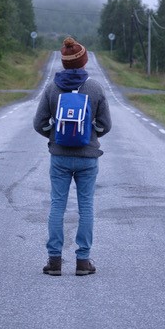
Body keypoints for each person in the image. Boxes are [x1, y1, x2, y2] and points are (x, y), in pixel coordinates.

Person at [33, 36, 111, 276]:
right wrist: (89, 134)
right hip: (88, 157)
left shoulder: (52, 88)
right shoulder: (95, 88)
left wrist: (55, 135)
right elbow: (106, 124)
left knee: (57, 205)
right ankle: (83, 261)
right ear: (84, 62)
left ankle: (54, 261)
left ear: (64, 62)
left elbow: (38, 123)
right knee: (86, 206)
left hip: (60, 157)